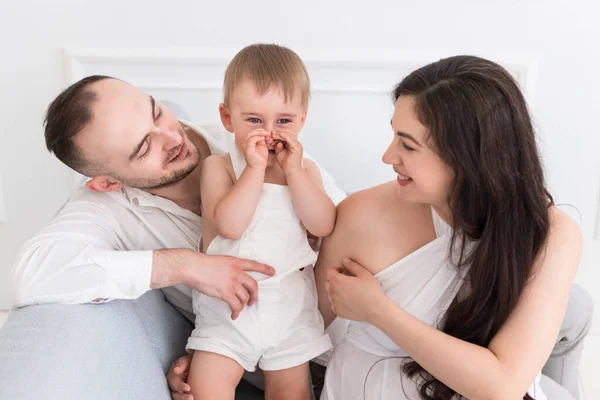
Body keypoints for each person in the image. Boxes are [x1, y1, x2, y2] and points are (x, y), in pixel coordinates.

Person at [2, 72, 345, 400]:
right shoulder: (107, 211)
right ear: (107, 182)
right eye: (144, 147)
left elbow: (343, 227)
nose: (172, 137)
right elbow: (30, 275)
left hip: (344, 333)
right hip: (257, 358)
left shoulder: (248, 135)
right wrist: (186, 266)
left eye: (157, 113)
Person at [315, 55, 583, 400]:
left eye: (408, 145)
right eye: (394, 135)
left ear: (468, 158)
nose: (387, 156)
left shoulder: (550, 234)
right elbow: (300, 328)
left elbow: (502, 387)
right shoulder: (362, 215)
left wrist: (377, 310)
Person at [186, 44, 334, 400]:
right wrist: (253, 170)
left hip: (289, 306)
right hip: (228, 309)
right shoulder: (219, 167)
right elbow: (230, 226)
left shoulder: (304, 170)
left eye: (283, 121)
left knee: (292, 392)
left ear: (302, 119)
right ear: (227, 118)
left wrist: (295, 173)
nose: (269, 133)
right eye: (254, 120)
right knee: (206, 387)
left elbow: (323, 225)